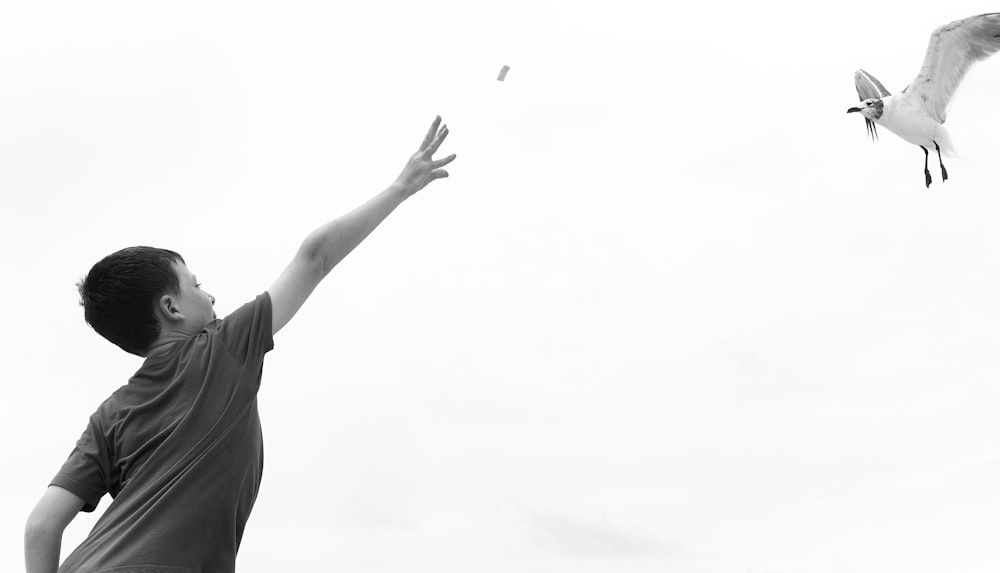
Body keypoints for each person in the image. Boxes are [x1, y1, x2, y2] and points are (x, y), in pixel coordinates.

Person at [24, 117, 456, 573]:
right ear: (171, 308)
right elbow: (316, 257)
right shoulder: (221, 348)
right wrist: (400, 188)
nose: (210, 296)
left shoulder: (109, 415)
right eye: (197, 285)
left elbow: (41, 526)